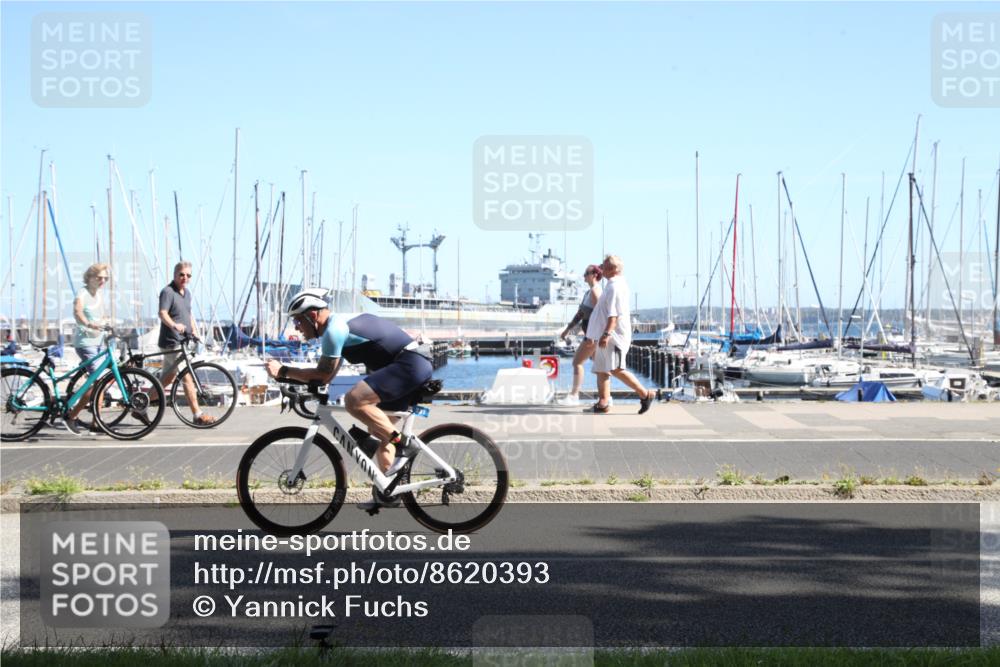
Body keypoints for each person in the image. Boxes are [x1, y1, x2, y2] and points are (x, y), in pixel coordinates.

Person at [265, 288, 434, 510]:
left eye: (298, 321)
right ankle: (389, 491)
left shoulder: (334, 330)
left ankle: (404, 445)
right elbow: (326, 376)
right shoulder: (337, 329)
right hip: (408, 364)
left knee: (354, 400)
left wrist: (284, 370)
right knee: (379, 432)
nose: (297, 327)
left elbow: (322, 373)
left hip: (410, 364)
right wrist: (301, 386)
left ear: (313, 316)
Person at [585, 255, 654, 414]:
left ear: (613, 269)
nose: (601, 268)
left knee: (616, 368)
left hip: (613, 336)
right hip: (605, 334)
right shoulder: (611, 285)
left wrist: (607, 334)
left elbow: (613, 315)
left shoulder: (615, 287)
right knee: (601, 368)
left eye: (604, 265)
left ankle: (645, 394)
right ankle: (603, 403)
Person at [157, 261, 214, 425]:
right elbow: (162, 313)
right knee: (187, 378)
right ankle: (198, 416)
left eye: (188, 275)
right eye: (181, 274)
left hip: (182, 341)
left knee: (166, 380)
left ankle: (141, 405)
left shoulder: (187, 293)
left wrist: (194, 331)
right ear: (175, 275)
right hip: (171, 342)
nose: (185, 278)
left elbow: (188, 315)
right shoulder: (167, 292)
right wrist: (174, 325)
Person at [64, 263, 110, 434]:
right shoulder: (82, 293)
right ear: (90, 277)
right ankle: (72, 416)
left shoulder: (99, 295)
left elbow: (102, 315)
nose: (103, 281)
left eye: (105, 278)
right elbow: (77, 312)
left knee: (101, 382)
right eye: (99, 277)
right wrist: (89, 323)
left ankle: (96, 421)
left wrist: (106, 322)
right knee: (97, 381)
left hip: (99, 342)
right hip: (85, 343)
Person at [556, 264, 603, 406]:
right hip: (591, 333)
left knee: (577, 362)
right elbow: (580, 314)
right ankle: (605, 397)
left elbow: (599, 315)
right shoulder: (589, 292)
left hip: (592, 335)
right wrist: (568, 329)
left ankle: (574, 396)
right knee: (599, 366)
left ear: (594, 275)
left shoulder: (595, 292)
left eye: (586, 273)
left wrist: (593, 337)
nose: (583, 276)